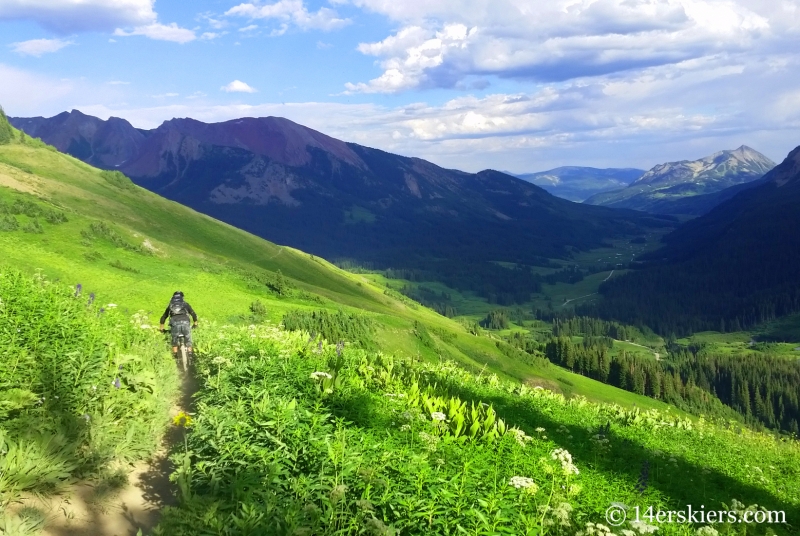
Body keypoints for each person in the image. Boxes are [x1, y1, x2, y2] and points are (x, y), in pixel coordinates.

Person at [159, 291, 198, 361]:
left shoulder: (170, 305)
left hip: (174, 323)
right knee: (188, 339)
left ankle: (175, 356)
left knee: (174, 340)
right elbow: (193, 314)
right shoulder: (185, 304)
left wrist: (161, 329)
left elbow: (163, 317)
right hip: (185, 322)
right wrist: (195, 324)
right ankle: (190, 354)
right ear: (182, 298)